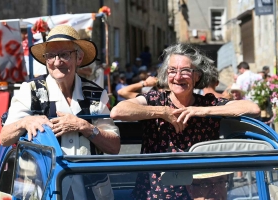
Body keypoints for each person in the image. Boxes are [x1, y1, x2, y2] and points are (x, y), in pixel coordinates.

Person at [110, 43, 260, 199]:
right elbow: (117, 111)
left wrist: (202, 110)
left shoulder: (207, 103)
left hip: (202, 194)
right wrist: (162, 112)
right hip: (156, 193)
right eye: (172, 70)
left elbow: (252, 108)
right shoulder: (155, 100)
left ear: (197, 76)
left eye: (185, 71)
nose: (178, 77)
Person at [0, 25, 120, 199]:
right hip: (41, 191)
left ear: (79, 58)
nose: (57, 62)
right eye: (50, 56)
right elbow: (4, 138)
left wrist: (84, 126)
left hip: (91, 192)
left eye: (64, 54)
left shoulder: (95, 94)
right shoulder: (30, 90)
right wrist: (25, 122)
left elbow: (114, 146)